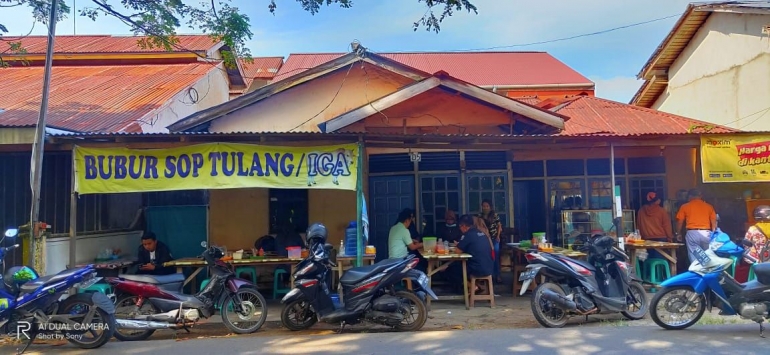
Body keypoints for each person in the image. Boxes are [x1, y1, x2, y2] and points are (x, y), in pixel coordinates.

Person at [453, 214, 494, 294]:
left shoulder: (468, 235)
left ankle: (473, 287)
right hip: (489, 267)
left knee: (452, 270)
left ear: (463, 226)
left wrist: (457, 245)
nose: (460, 229)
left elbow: (458, 251)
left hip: (478, 269)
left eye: (460, 227)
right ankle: (474, 286)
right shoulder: (481, 233)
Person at [675, 188, 717, 264]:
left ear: (690, 196)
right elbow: (714, 222)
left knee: (694, 256)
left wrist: (678, 233)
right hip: (706, 233)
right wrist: (714, 233)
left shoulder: (685, 206)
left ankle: (698, 272)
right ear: (701, 196)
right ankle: (706, 271)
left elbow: (680, 221)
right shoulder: (709, 206)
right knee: (707, 255)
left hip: (692, 233)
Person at [637, 192, 674, 259]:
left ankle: (650, 269)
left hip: (646, 239)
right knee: (662, 258)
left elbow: (638, 226)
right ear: (658, 201)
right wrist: (669, 237)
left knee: (650, 258)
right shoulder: (661, 211)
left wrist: (641, 238)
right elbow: (667, 226)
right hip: (661, 239)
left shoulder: (641, 211)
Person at [478, 199, 502, 284]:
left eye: (487, 206)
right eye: (484, 206)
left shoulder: (494, 215)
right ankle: (489, 275)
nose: (485, 208)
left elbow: (499, 226)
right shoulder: (480, 216)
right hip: (485, 240)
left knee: (495, 254)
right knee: (487, 257)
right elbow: (479, 227)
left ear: (490, 207)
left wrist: (498, 236)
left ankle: (497, 275)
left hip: (494, 239)